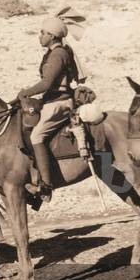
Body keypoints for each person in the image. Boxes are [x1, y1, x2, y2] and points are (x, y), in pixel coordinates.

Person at [16, 17, 82, 203]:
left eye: (43, 33)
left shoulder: (58, 54)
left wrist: (25, 92)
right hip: (51, 101)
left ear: (52, 36)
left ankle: (46, 185)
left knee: (37, 136)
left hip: (59, 103)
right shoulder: (53, 52)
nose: (40, 35)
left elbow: (47, 83)